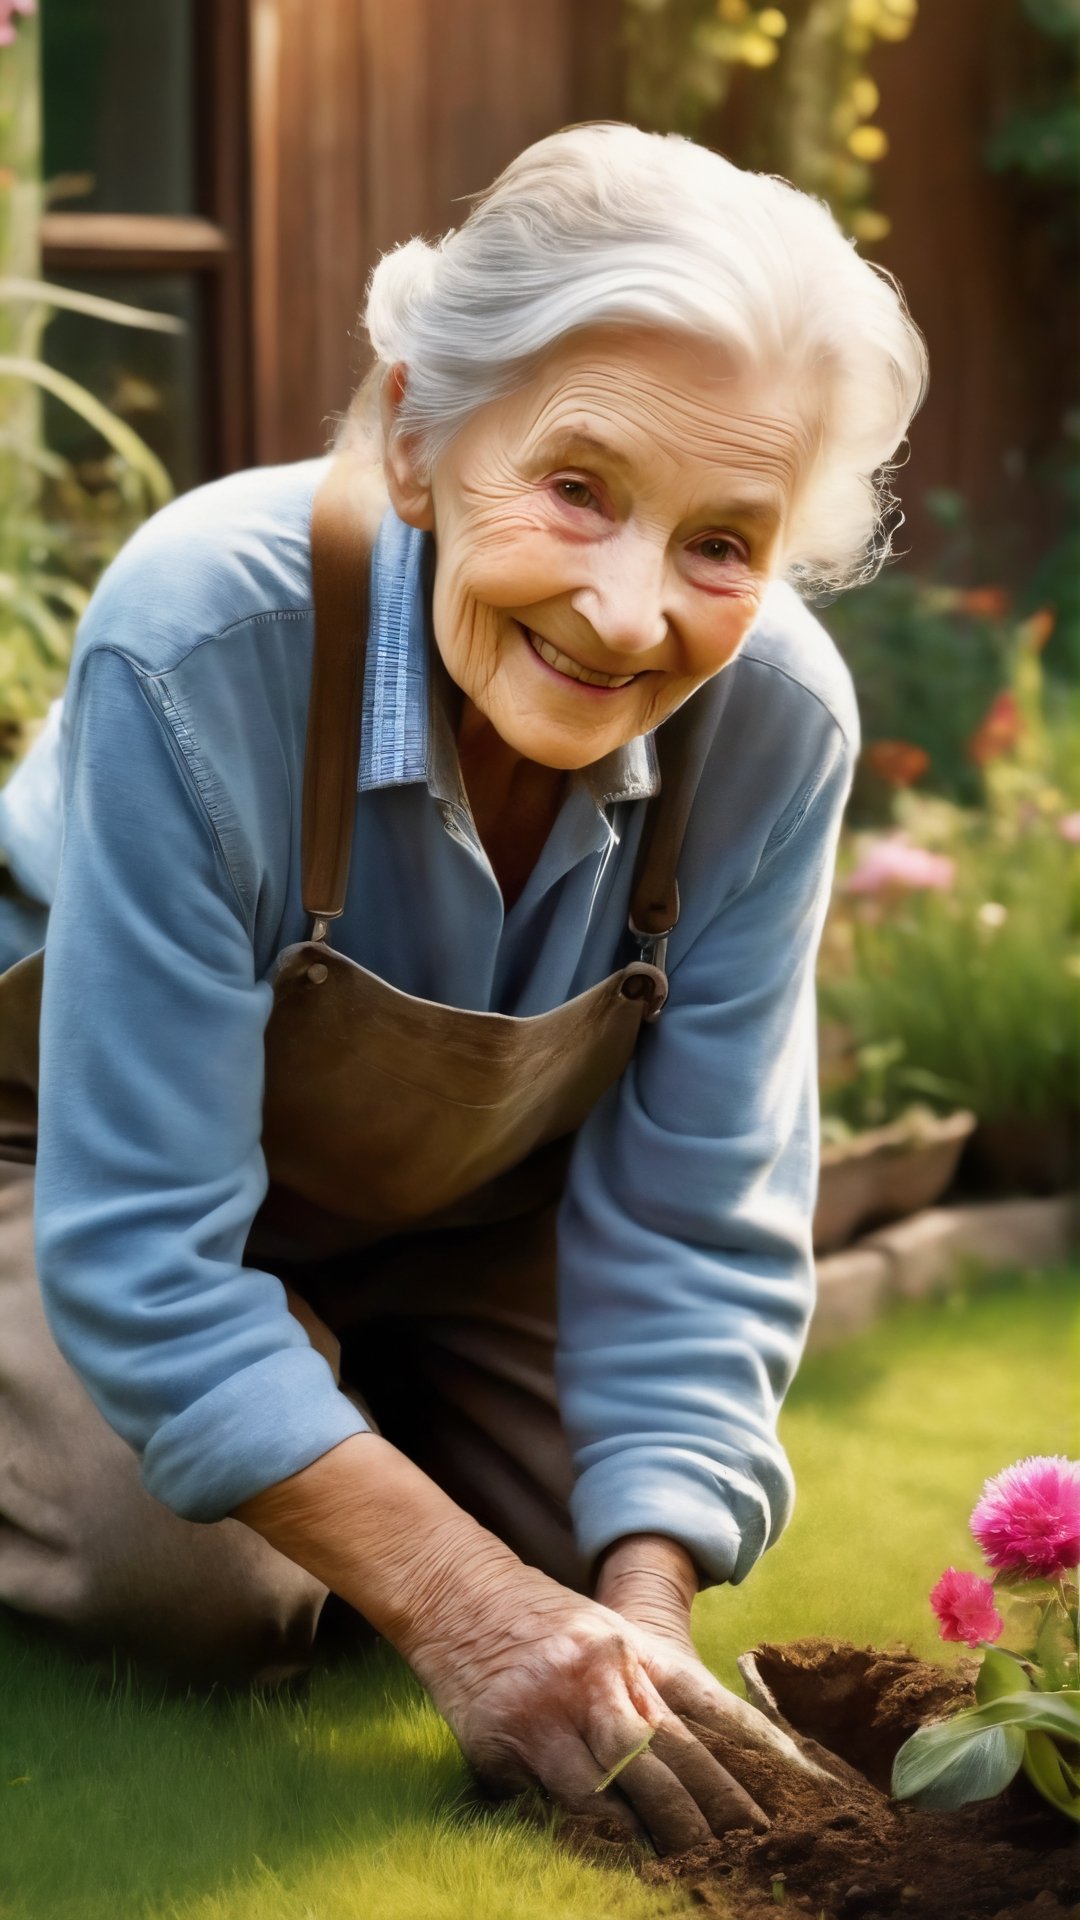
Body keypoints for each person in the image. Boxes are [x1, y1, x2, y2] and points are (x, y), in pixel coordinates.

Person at [0, 122, 927, 1854]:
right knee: (186, 1591)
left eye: (725, 540)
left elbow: (696, 1215)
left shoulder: (780, 722)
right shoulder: (205, 634)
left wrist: (640, 1619)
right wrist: (469, 1612)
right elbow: (134, 1245)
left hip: (450, 1219)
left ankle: (334, 1398)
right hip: (52, 1164)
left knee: (618, 1531)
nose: (630, 612)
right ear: (422, 434)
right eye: (578, 489)